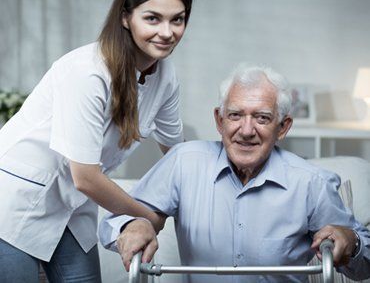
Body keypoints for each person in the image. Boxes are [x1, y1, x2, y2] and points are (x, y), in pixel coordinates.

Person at [100, 65, 370, 283]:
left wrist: (352, 242)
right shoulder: (184, 162)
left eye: (262, 118)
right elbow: (114, 221)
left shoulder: (312, 182)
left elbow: (364, 265)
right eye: (235, 115)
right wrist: (132, 225)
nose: (246, 130)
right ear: (219, 120)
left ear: (283, 127)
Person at [0, 0, 192, 282]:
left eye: (177, 19)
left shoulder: (165, 77)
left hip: (74, 209)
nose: (167, 32)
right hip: (16, 203)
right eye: (152, 18)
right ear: (126, 17)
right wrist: (149, 219)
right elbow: (86, 178)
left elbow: (179, 155)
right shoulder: (87, 71)